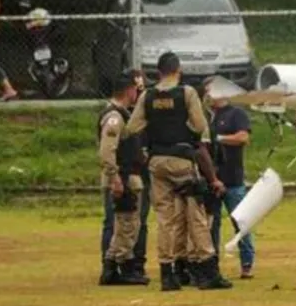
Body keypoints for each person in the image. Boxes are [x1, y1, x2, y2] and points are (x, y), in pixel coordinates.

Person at [124, 51, 232, 291]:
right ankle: (207, 271)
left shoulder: (148, 96)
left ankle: (167, 273)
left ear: (159, 71)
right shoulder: (187, 93)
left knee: (165, 219)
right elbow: (199, 126)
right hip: (181, 160)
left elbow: (133, 127)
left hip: (156, 162)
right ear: (178, 69)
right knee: (196, 215)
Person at [97, 71, 149, 286]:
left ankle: (112, 266)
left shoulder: (122, 114)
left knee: (125, 225)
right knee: (127, 224)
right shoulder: (114, 117)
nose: (137, 93)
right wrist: (115, 177)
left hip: (127, 176)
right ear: (128, 90)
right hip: (124, 178)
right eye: (136, 90)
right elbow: (107, 151)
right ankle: (123, 268)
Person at [203, 76, 255, 279]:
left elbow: (243, 137)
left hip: (232, 178)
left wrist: (219, 139)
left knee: (241, 221)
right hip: (211, 178)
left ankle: (247, 262)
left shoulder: (236, 114)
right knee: (211, 223)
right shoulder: (207, 117)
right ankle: (211, 261)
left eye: (211, 90)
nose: (208, 95)